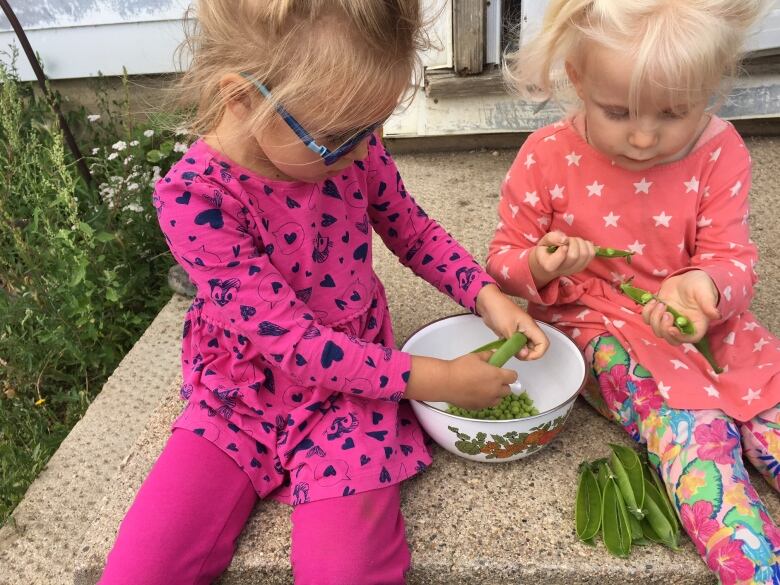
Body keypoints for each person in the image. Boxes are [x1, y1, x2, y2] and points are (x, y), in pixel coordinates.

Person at [99, 2, 549, 584]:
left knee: (350, 570)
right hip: (239, 388)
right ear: (242, 97)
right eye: (342, 136)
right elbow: (297, 346)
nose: (364, 153)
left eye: (374, 129)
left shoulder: (344, 141)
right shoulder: (196, 200)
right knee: (142, 568)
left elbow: (410, 229)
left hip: (350, 393)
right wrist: (442, 379)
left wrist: (489, 299)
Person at [487, 0, 780, 581]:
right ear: (578, 78)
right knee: (695, 441)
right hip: (600, 324)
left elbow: (733, 261)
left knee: (769, 403)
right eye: (617, 111)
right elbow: (502, 264)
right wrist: (541, 266)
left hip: (710, 328)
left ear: (712, 87)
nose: (644, 137)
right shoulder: (547, 157)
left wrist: (704, 287)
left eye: (675, 112)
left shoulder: (720, 152)